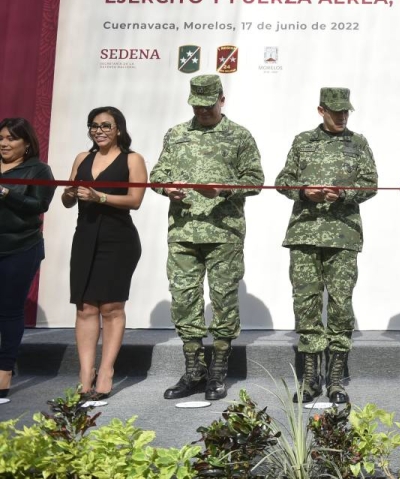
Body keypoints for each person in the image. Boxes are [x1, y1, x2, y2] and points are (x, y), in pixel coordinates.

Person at [150, 74, 264, 401]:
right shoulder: (176, 135)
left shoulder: (239, 136)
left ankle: (218, 371)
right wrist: (165, 188)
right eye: (197, 106)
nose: (202, 111)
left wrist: (225, 189)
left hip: (224, 232)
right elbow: (158, 175)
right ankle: (194, 370)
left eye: (208, 105)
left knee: (224, 299)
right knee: (184, 298)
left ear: (221, 100)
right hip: (183, 231)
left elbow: (255, 179)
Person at [275, 88, 378, 404]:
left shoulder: (357, 143)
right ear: (321, 110)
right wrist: (306, 193)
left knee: (340, 304)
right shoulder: (303, 141)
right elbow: (283, 180)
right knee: (305, 304)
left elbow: (371, 183)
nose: (342, 117)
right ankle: (309, 379)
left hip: (343, 236)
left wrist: (344, 194)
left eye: (346, 112)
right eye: (336, 113)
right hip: (304, 234)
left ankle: (335, 379)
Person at [61, 107, 147, 399]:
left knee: (111, 307)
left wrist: (100, 197)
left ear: (119, 129)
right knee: (85, 308)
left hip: (118, 240)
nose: (98, 130)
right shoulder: (82, 158)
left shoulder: (132, 159)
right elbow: (66, 201)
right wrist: (70, 193)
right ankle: (86, 374)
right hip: (84, 237)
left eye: (105, 125)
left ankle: (106, 371)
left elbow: (135, 200)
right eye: (93, 126)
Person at [0, 118, 55, 399]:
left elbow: (39, 205)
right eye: (1, 138)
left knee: (9, 310)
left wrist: (5, 193)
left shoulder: (38, 169)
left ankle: (4, 372)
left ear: (26, 143)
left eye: (11, 139)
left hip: (20, 248)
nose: (4, 143)